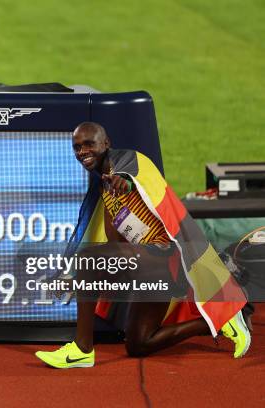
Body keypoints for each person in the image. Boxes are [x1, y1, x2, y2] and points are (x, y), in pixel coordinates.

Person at [35, 122, 250, 369]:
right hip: (153, 268)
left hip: (166, 255)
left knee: (87, 258)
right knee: (139, 343)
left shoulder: (131, 162)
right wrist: (76, 278)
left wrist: (123, 183)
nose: (82, 151)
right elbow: (113, 247)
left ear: (106, 144)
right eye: (76, 147)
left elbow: (129, 179)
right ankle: (216, 321)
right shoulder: (105, 190)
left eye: (88, 144)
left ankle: (82, 349)